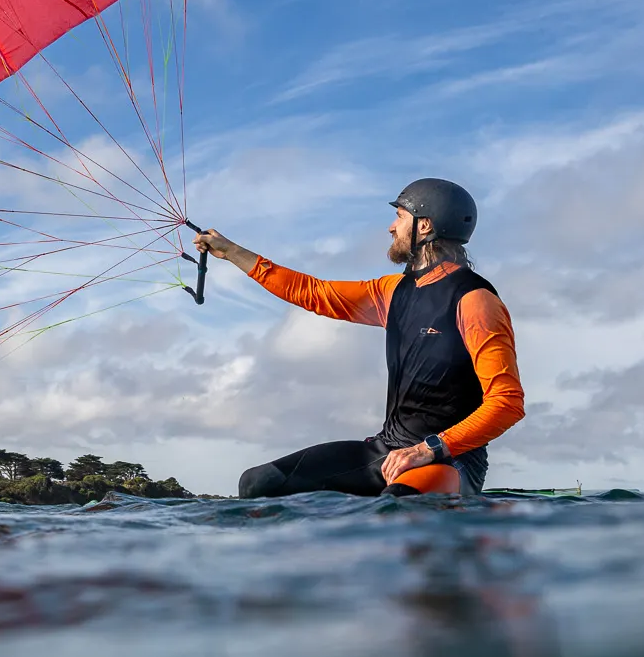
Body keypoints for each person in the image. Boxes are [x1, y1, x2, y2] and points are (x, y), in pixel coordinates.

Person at [195, 178, 525, 498]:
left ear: (424, 226)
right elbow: (312, 292)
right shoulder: (392, 292)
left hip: (451, 461)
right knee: (257, 484)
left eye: (399, 217)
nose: (391, 228)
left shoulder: (475, 299)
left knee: (396, 505)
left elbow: (507, 403)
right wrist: (231, 251)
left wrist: (430, 448)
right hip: (389, 450)